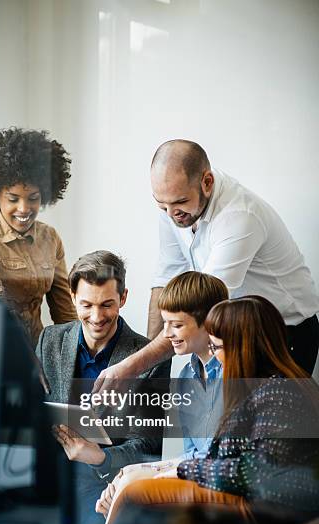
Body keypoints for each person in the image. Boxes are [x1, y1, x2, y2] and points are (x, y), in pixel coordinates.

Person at [94, 139, 319, 389]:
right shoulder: (174, 206)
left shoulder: (240, 216)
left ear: (207, 182)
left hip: (283, 334)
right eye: (161, 205)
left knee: (269, 422)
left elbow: (201, 308)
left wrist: (131, 366)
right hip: (227, 328)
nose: (170, 214)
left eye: (179, 203)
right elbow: (165, 278)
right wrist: (148, 368)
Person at [97, 296, 319, 524]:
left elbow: (258, 473)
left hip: (270, 508)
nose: (215, 356)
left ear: (244, 348)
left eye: (218, 347)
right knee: (131, 487)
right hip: (251, 496)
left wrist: (184, 471)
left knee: (134, 493)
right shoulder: (261, 389)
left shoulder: (278, 393)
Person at [35, 250, 170, 524]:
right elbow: (36, 414)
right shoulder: (50, 340)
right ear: (72, 297)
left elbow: (149, 447)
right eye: (86, 304)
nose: (96, 317)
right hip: (52, 484)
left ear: (123, 298)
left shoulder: (148, 358)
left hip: (108, 486)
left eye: (107, 304)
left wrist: (99, 457)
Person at [96, 270, 229, 517]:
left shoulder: (232, 375)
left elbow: (218, 460)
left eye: (176, 325)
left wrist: (150, 474)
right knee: (124, 478)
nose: (166, 334)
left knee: (129, 488)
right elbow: (191, 453)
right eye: (165, 323)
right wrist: (135, 471)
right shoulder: (185, 378)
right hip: (194, 471)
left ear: (209, 322)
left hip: (218, 479)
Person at [0, 127, 77, 347]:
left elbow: (65, 313)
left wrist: (78, 355)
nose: (24, 208)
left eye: (33, 198)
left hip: (37, 351)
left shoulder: (50, 238)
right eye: (13, 199)